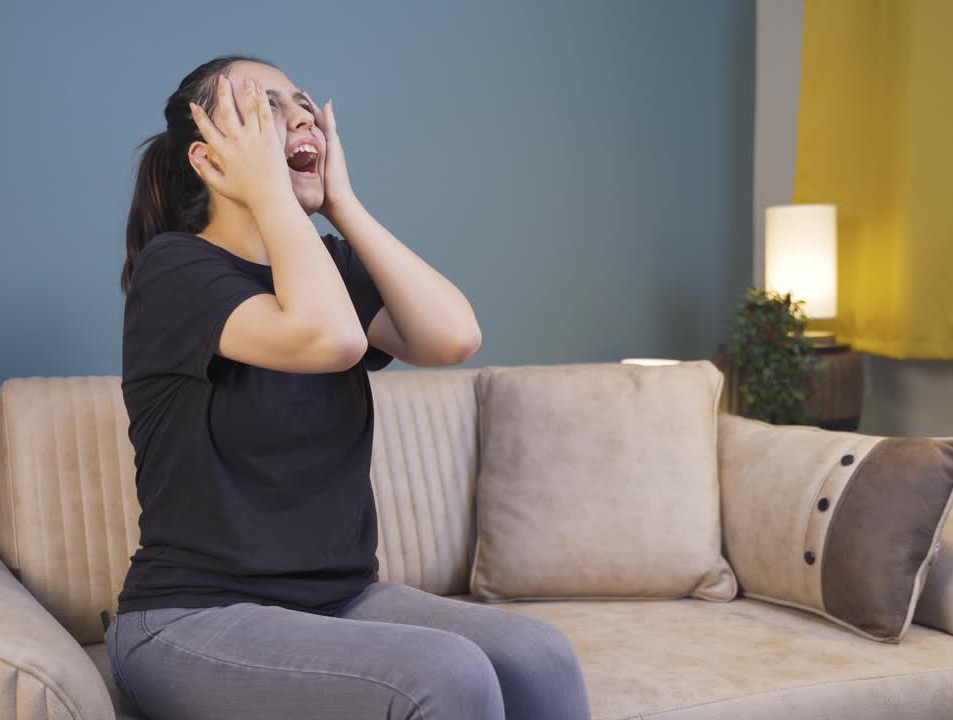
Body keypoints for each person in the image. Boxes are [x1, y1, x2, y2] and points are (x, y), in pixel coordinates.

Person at [105, 53, 592, 720]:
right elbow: (330, 340)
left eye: (304, 103)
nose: (302, 116)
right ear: (209, 158)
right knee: (445, 675)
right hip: (191, 617)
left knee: (539, 655)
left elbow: (454, 337)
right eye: (266, 106)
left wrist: (343, 203)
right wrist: (272, 193)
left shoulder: (327, 269)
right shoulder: (175, 270)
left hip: (341, 600)